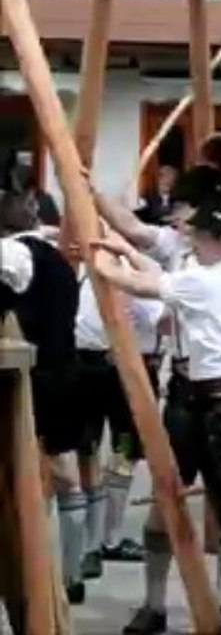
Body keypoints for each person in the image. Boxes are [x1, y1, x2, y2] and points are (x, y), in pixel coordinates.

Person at [94, 177, 221, 635]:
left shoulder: (209, 277)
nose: (188, 234)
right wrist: (125, 250)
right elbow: (164, 277)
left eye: (197, 229)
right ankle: (189, 610)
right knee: (204, 503)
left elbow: (145, 284)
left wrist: (102, 262)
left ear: (217, 234)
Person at [0, 193, 81, 602]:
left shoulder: (11, 254)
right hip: (65, 370)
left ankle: (39, 570)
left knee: (30, 474)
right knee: (64, 471)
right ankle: (73, 571)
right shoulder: (58, 259)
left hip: (31, 379)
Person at [73, 250, 165, 579]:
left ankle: (104, 539)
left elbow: (161, 319)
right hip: (93, 368)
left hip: (123, 369)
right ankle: (94, 542)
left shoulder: (125, 272)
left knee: (122, 451)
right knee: (90, 450)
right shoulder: (82, 271)